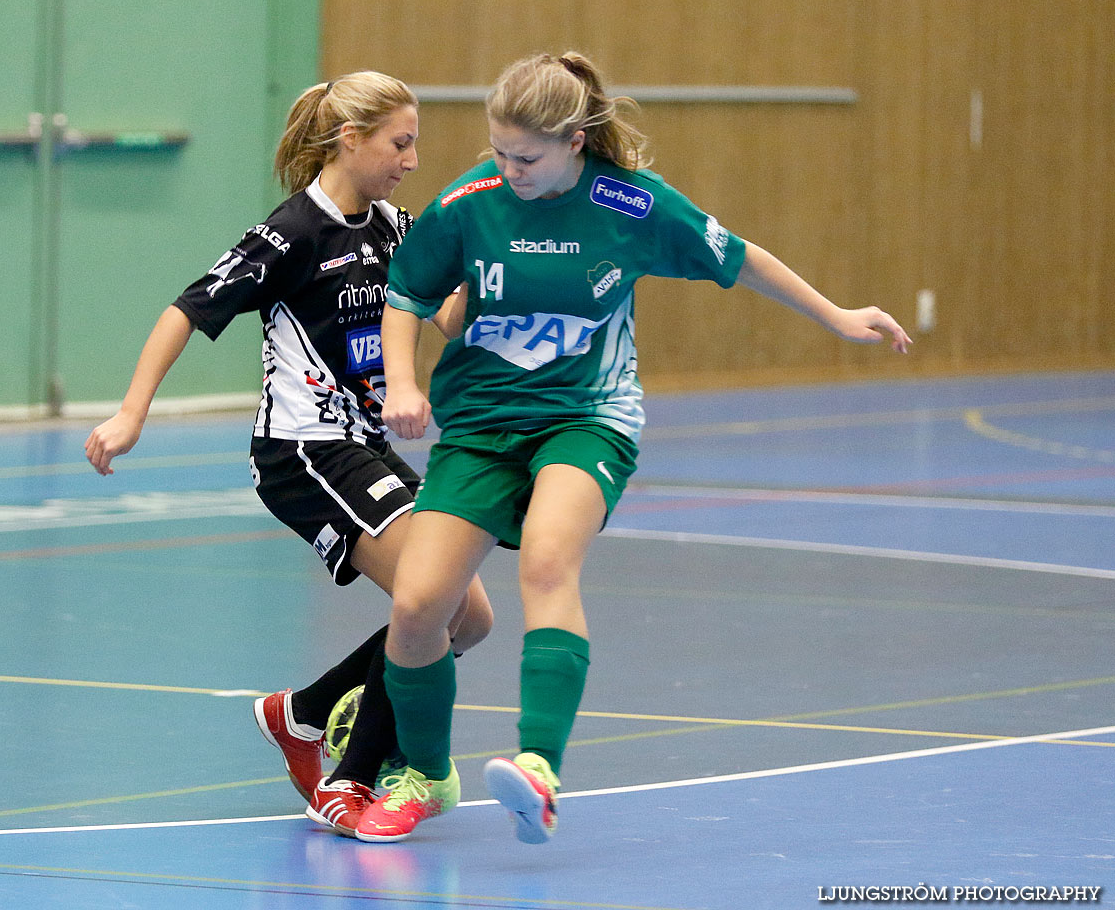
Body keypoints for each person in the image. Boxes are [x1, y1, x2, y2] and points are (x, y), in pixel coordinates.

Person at [353, 51, 912, 844]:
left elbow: (737, 256)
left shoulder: (631, 203)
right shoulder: (467, 203)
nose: (508, 168)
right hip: (480, 423)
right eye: (498, 151)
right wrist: (403, 384)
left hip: (588, 415)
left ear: (576, 141)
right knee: (417, 607)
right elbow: (406, 296)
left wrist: (834, 314)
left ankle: (538, 771)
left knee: (547, 559)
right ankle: (425, 775)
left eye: (527, 157)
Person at [83, 71, 494, 838]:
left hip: (362, 450)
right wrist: (132, 412)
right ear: (352, 138)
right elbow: (187, 308)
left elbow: (447, 317)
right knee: (431, 603)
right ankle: (351, 781)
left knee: (467, 617)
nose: (411, 160)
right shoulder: (293, 233)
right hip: (304, 452)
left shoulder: (394, 228)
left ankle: (303, 715)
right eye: (400, 143)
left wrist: (499, 268)